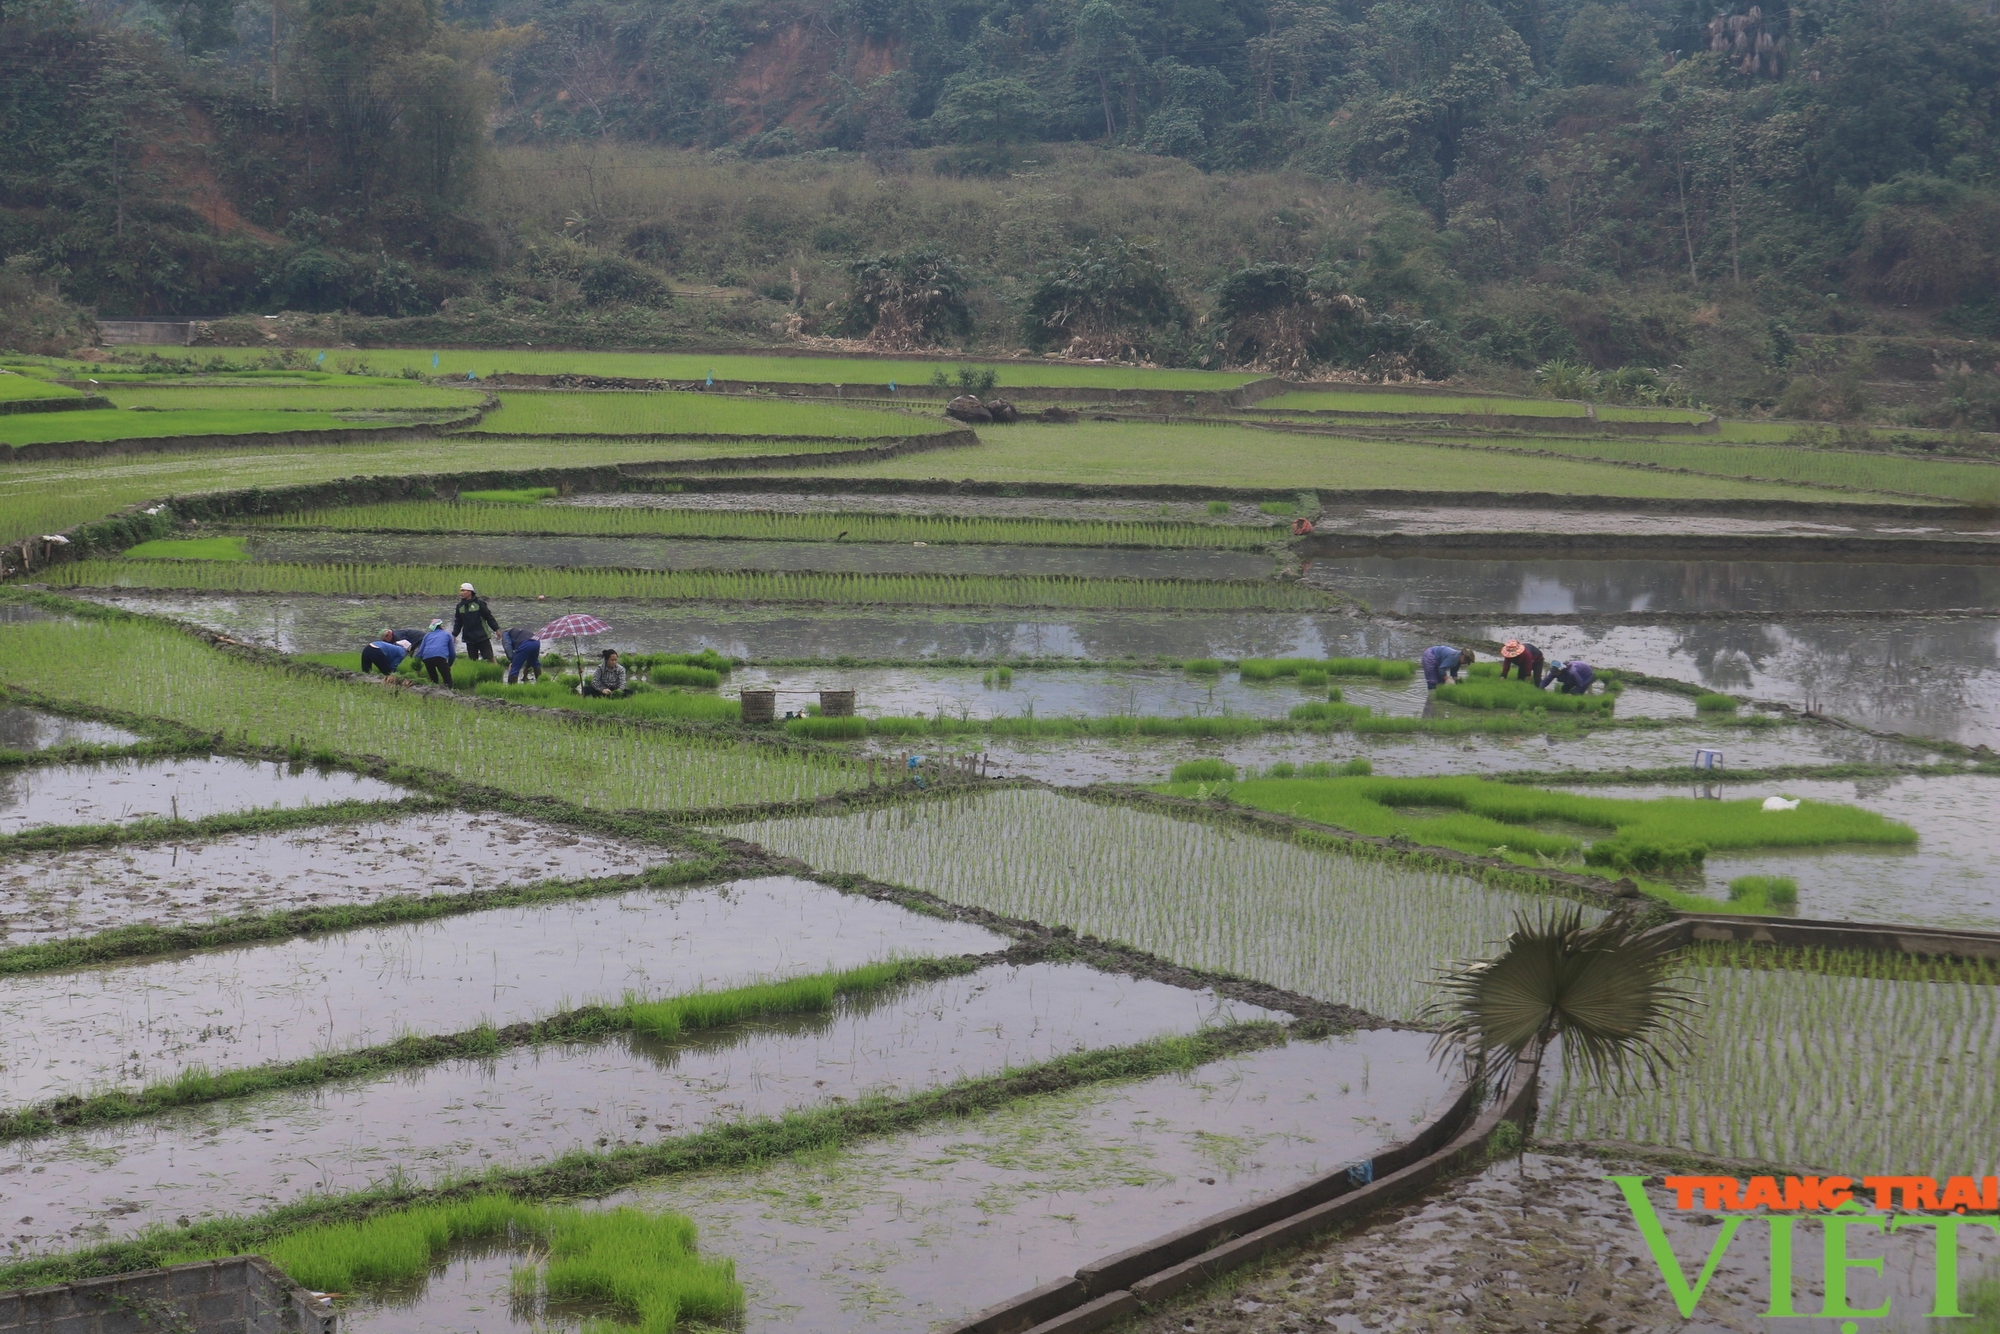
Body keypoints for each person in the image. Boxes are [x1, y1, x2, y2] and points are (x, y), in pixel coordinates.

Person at [453, 583, 499, 662]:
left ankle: (495, 670)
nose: (461, 593)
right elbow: (458, 622)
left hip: (482, 635)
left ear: (470, 592)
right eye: (461, 591)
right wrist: (454, 635)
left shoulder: (479, 603)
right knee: (472, 659)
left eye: (464, 591)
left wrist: (496, 629)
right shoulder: (460, 606)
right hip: (469, 637)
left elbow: (489, 617)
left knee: (489, 657)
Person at [416, 620, 457, 687]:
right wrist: (449, 664)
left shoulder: (427, 635)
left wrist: (417, 666)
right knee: (447, 680)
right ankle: (449, 694)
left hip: (427, 658)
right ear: (441, 626)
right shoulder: (447, 634)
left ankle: (433, 693)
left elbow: (420, 652)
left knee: (433, 680)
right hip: (440, 657)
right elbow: (452, 653)